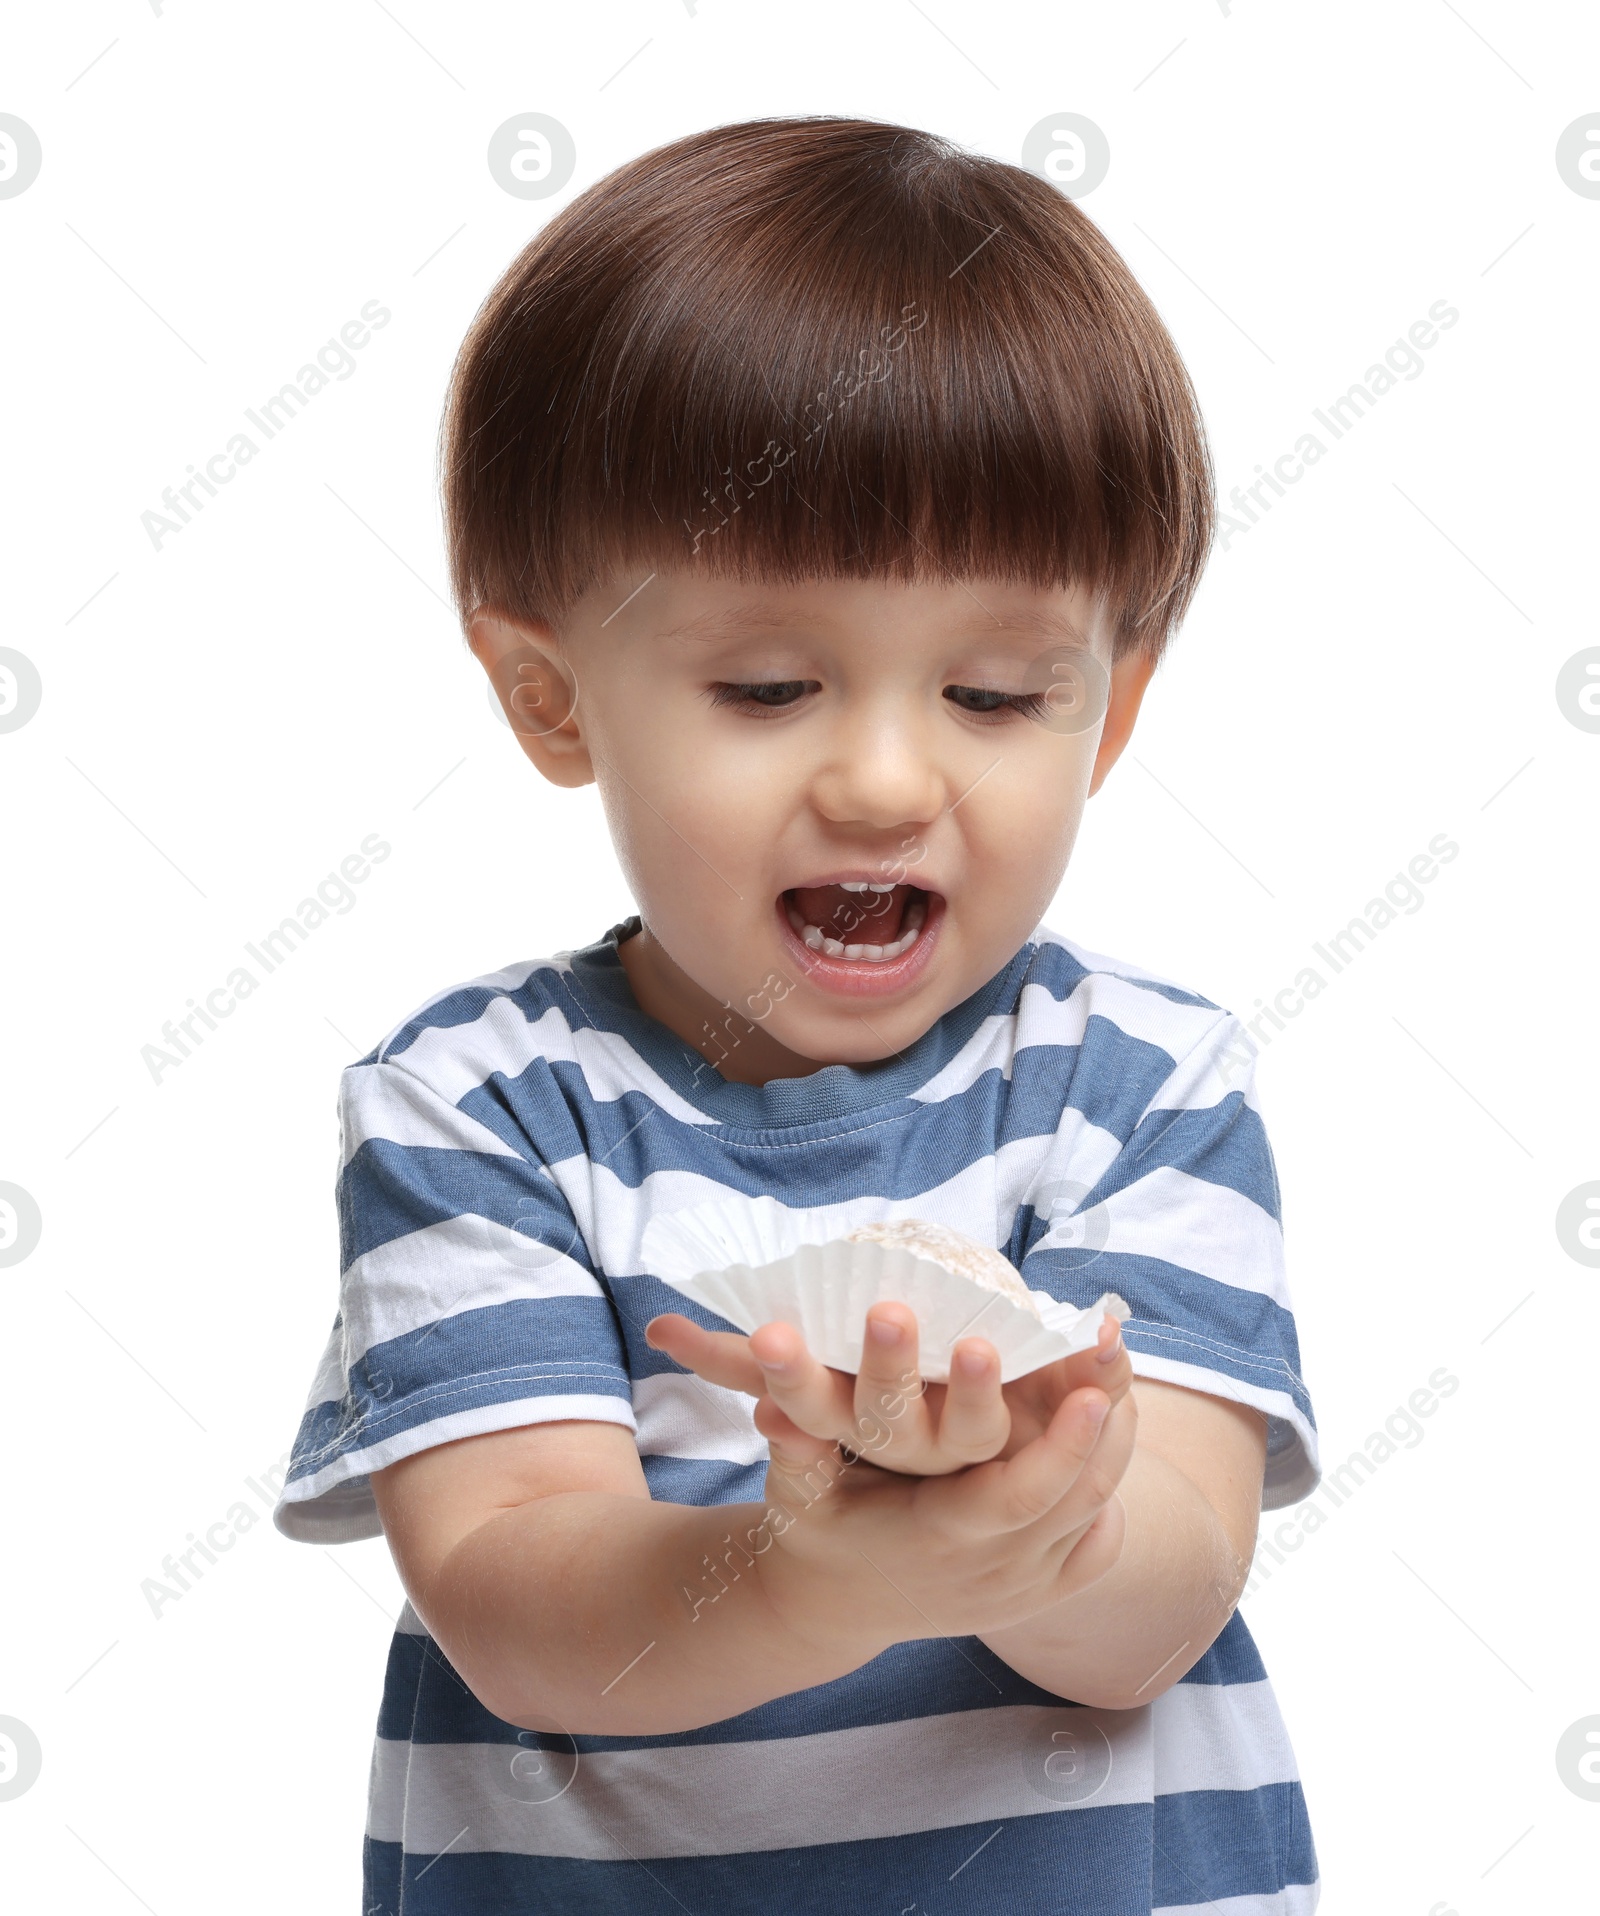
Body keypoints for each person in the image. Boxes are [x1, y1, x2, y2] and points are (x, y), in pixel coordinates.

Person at [274, 114, 1321, 1914]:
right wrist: (807, 1576)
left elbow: (1166, 1596)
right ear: (551, 696)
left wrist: (1014, 1514)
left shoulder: (1139, 1091)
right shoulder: (481, 1109)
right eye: (770, 685)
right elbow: (525, 1606)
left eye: (996, 695)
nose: (886, 778)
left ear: (1112, 712)